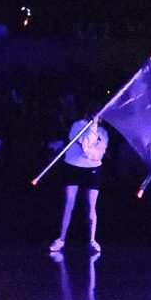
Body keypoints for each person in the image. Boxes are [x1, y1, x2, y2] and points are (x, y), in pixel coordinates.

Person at [50, 107, 109, 254]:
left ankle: (92, 240)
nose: (97, 118)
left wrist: (94, 131)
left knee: (91, 206)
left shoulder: (103, 133)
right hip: (73, 166)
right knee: (69, 203)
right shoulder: (78, 126)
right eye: (94, 115)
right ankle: (61, 239)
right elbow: (85, 144)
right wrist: (92, 127)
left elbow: (96, 153)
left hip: (92, 169)